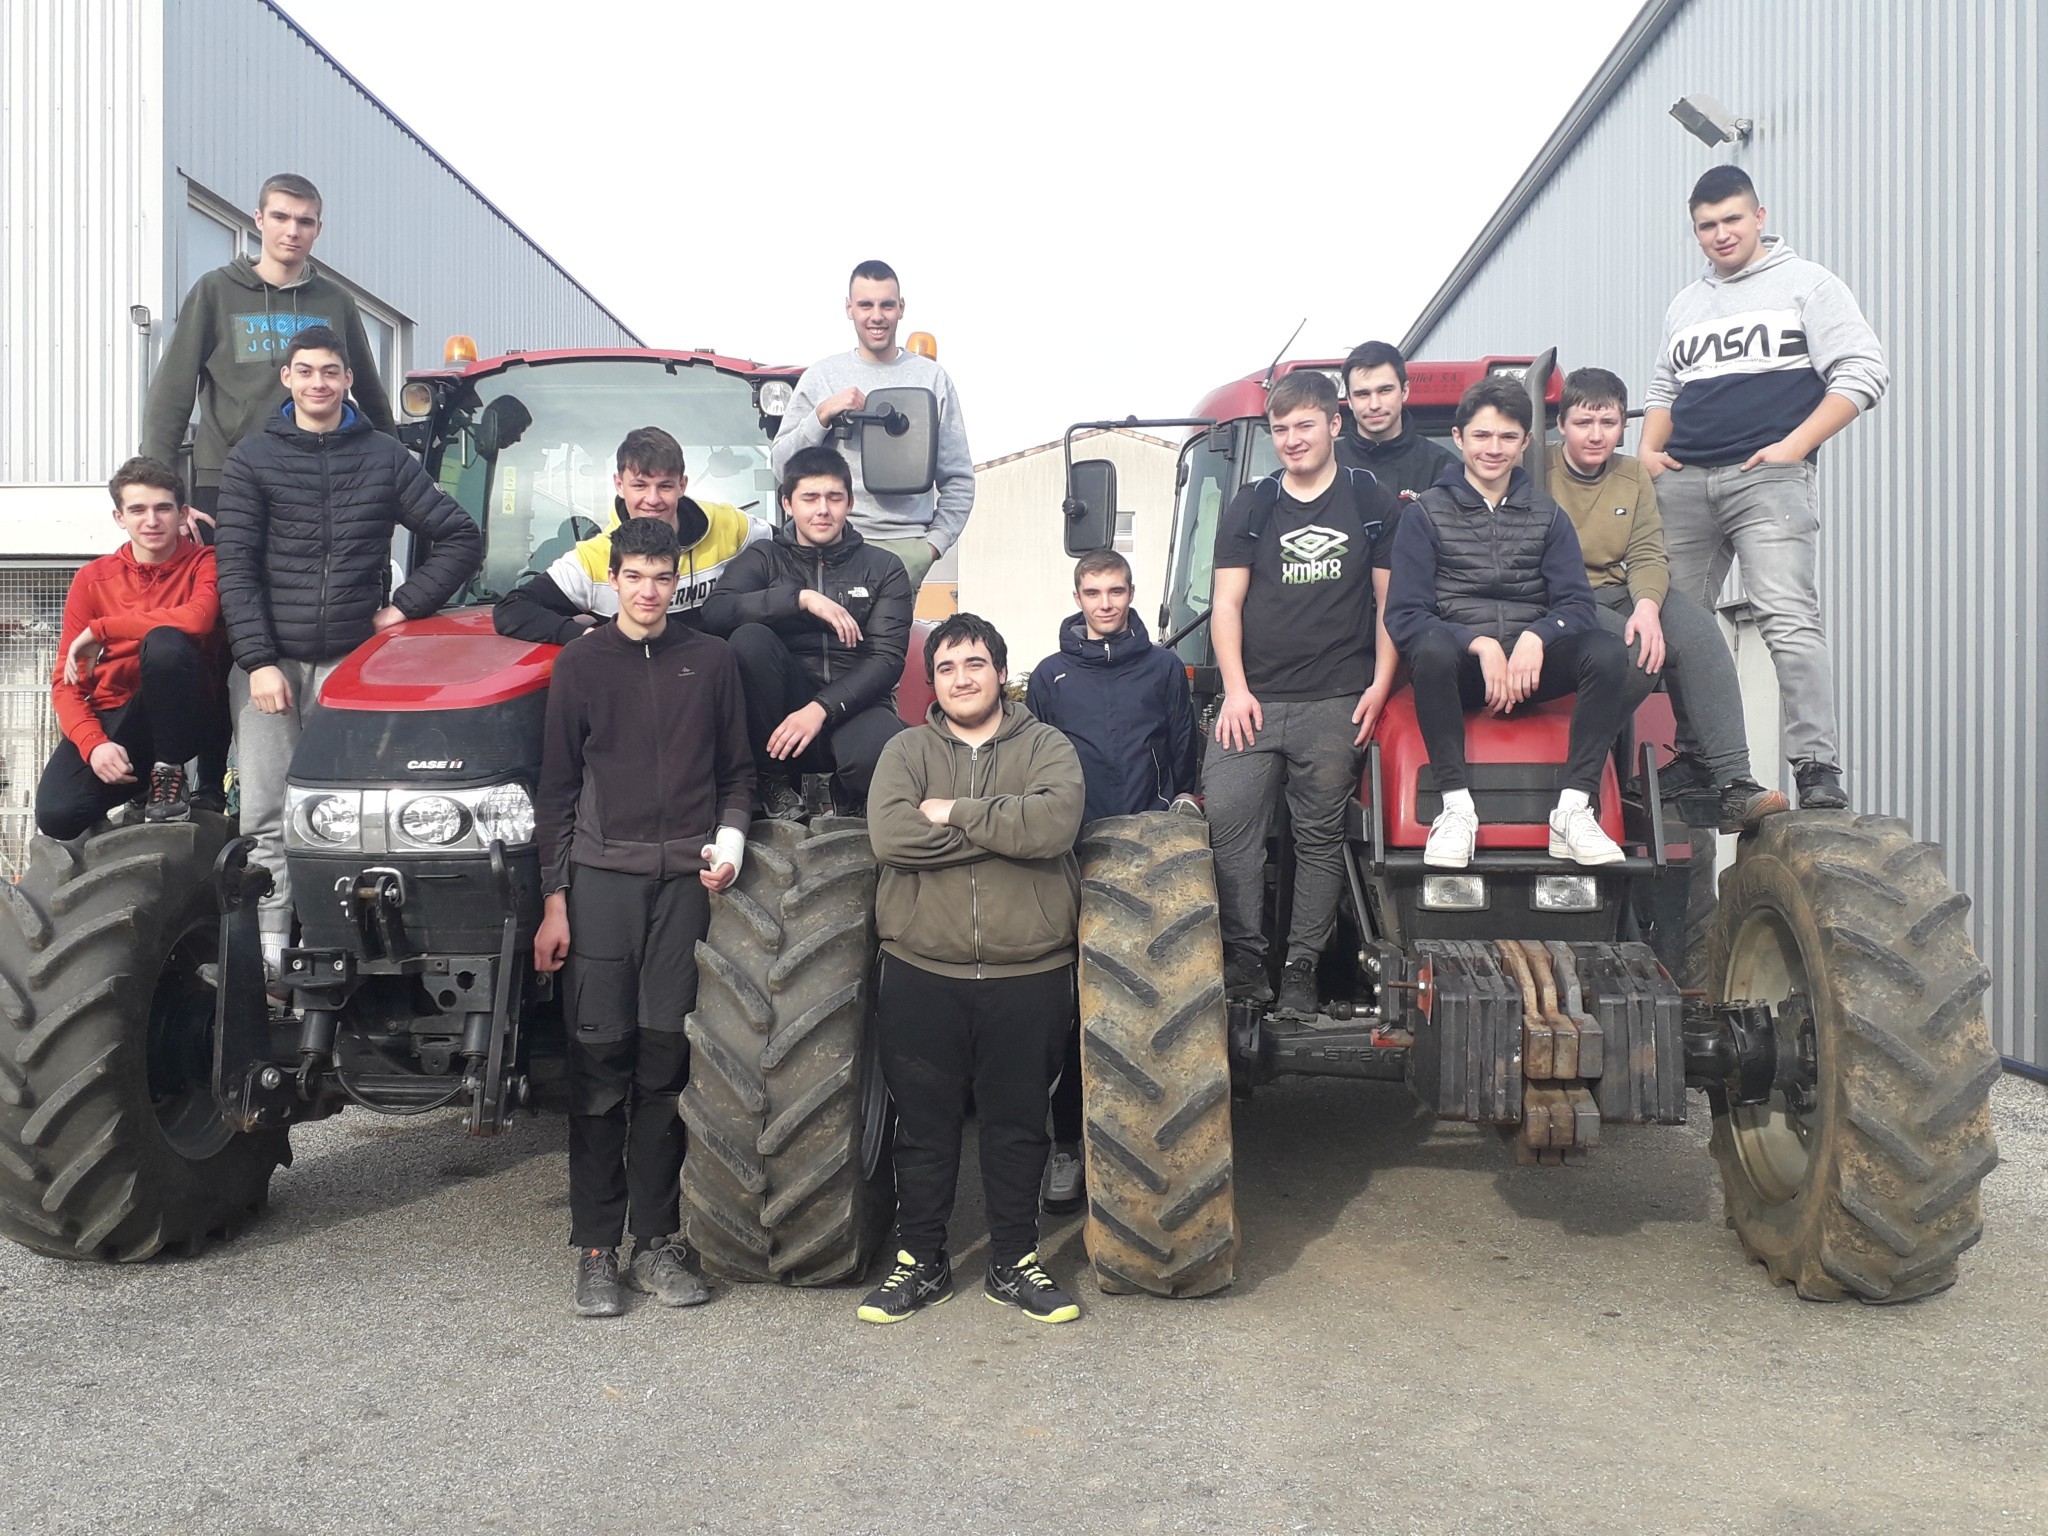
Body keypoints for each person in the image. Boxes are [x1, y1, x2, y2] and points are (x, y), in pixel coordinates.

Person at [532, 516, 753, 1318]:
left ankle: (657, 1241)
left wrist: (727, 841)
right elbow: (555, 789)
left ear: (678, 578)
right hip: (599, 886)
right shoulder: (581, 664)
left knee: (664, 1068)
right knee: (598, 1069)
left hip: (685, 889)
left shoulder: (714, 660)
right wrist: (554, 902)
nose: (650, 590)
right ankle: (595, 1247)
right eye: (635, 576)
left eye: (663, 576)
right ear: (614, 579)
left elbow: (738, 772)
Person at [214, 326, 481, 983]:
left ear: (347, 381)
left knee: (361, 814)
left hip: (354, 671)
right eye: (305, 372)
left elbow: (459, 536)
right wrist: (258, 661)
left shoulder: (385, 458)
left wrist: (403, 610)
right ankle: (272, 950)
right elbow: (235, 566)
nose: (318, 383)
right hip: (272, 666)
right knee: (269, 813)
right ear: (287, 380)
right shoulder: (253, 460)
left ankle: (354, 947)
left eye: (330, 372)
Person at [860, 612, 1087, 1326]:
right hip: (924, 969)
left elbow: (1054, 827)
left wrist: (953, 812)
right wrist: (1001, 831)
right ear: (934, 682)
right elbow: (891, 836)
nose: (963, 678)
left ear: (1001, 672)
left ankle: (1013, 1263)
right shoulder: (904, 752)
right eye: (949, 668)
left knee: (1017, 1125)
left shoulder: (1048, 746)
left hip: (1030, 972)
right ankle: (920, 1261)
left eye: (976, 664)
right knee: (922, 1127)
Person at [1640, 165, 1888, 811]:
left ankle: (1815, 767)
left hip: (1768, 478)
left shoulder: (1810, 285)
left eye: (1731, 220)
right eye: (1706, 226)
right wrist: (1648, 450)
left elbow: (1864, 371)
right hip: (1686, 480)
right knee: (1675, 628)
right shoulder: (1685, 305)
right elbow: (1666, 388)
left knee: (1787, 618)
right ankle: (1698, 760)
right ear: (1694, 231)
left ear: (1760, 216)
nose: (1720, 235)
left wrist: (1795, 446)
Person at [1207, 370, 1402, 1016]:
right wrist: (1235, 691)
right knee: (1230, 822)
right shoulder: (1253, 506)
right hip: (1254, 700)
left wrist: (1379, 683)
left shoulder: (1369, 500)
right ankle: (1243, 961)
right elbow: (1226, 605)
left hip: (1334, 699)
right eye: (1280, 429)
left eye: (1304, 425)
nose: (1292, 439)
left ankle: (1300, 969)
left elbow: (1388, 602)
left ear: (1335, 425)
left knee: (1319, 838)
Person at [1385, 376, 1632, 870]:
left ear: (1525, 442)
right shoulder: (1425, 515)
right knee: (1431, 647)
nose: (1493, 449)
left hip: (1529, 669)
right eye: (1481, 436)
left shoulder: (1547, 515)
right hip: (1459, 672)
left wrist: (1537, 639)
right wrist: (1478, 643)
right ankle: (1455, 810)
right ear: (1458, 438)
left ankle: (1573, 810)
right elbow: (1405, 615)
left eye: (1506, 437)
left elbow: (1577, 605)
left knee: (1609, 651)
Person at [1024, 547, 1198, 1213]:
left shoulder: (1160, 670)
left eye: (1116, 590)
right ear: (1077, 597)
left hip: (1145, 852)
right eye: (1093, 591)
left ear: (1130, 594)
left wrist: (1173, 807)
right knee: (1073, 1009)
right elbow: (1040, 760)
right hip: (1072, 852)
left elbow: (1181, 750)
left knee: (1143, 1009)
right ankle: (1068, 1146)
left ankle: (1147, 1151)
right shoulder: (1051, 676)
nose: (1105, 602)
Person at [1548, 368, 1789, 832]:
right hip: (1565, 599)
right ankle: (1577, 763)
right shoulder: (1537, 468)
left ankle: (1731, 780)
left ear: (1623, 425)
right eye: (1584, 423)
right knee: (1637, 656)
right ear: (1561, 424)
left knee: (1698, 630)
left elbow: (1646, 552)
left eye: (1609, 423)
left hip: (1622, 592)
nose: (1597, 435)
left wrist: (1646, 606)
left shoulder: (1632, 474)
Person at [141, 174, 395, 529]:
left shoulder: (335, 301)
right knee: (232, 585)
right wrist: (160, 492)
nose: (292, 231)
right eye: (281, 217)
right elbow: (171, 395)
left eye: (305, 221)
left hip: (316, 475)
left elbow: (370, 393)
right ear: (258, 219)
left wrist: (396, 473)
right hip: (226, 478)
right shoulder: (215, 291)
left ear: (318, 229)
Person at [698, 445, 911, 817]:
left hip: (855, 705)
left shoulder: (884, 568)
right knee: (749, 639)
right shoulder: (763, 558)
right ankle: (771, 782)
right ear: (787, 504)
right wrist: (798, 598)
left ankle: (852, 798)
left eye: (834, 497)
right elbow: (716, 612)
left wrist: (820, 709)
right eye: (809, 497)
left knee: (882, 757)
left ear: (849, 503)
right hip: (778, 713)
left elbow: (886, 659)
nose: (823, 509)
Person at [37, 457, 229, 838]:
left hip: (191, 715)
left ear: (183, 513)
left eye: (163, 508)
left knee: (165, 643)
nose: (152, 521)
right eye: (137, 510)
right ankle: (141, 785)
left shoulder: (206, 562)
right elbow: (67, 682)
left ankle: (169, 777)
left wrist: (102, 629)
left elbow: (197, 620)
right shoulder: (92, 579)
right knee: (57, 815)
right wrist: (94, 746)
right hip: (121, 716)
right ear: (119, 517)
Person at [769, 260, 975, 589]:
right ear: (849, 308)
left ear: (901, 308)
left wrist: (931, 546)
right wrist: (822, 414)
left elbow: (959, 477)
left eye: (886, 305)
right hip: (831, 547)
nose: (876, 316)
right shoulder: (822, 378)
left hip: (905, 550)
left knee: (895, 643)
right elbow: (781, 468)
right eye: (865, 304)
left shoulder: (932, 379)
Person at [492, 426, 768, 644]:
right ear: (619, 485)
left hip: (719, 679)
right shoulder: (594, 558)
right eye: (640, 485)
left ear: (682, 485)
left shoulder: (728, 525)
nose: (652, 499)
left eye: (665, 486)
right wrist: (586, 638)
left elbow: (787, 550)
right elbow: (511, 609)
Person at [1336, 339, 1459, 497]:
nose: (1374, 404)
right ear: (1349, 400)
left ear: (1405, 391)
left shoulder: (1442, 467)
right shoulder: (1326, 463)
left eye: (1385, 390)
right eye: (1362, 394)